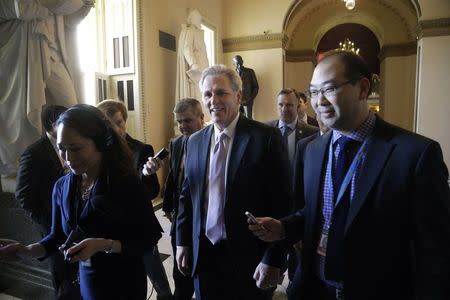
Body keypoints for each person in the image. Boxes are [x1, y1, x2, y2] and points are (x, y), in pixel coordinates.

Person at [249, 50, 450, 300]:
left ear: (363, 89)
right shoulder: (310, 150)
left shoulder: (414, 154)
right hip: (315, 290)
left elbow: (434, 251)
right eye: (313, 92)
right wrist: (284, 228)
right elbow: (312, 214)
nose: (319, 101)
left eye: (329, 89)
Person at [0, 104, 162, 299]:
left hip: (122, 284)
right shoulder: (61, 187)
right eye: (61, 149)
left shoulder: (126, 184)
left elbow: (148, 238)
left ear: (100, 144)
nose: (68, 158)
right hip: (83, 283)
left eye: (75, 148)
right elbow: (57, 237)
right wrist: (26, 250)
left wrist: (105, 244)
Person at [176, 64, 291, 300]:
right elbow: (187, 197)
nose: (213, 100)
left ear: (238, 96)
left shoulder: (265, 138)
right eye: (207, 94)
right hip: (204, 253)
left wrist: (273, 258)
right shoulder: (194, 141)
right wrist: (182, 242)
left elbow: (284, 203)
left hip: (249, 256)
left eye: (221, 92)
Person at [0, 0, 94, 175]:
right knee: (28, 111)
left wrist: (86, 5)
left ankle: (70, 156)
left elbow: (67, 21)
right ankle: (27, 162)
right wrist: (33, 7)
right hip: (28, 50)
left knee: (71, 107)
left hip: (54, 52)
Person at [96, 99, 172, 300]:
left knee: (157, 277)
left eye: (119, 122)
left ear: (125, 122)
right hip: (110, 227)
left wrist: (146, 174)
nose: (116, 128)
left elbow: (153, 191)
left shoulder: (141, 150)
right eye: (110, 124)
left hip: (139, 226)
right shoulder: (97, 152)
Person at [15, 104, 81, 299]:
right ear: (54, 124)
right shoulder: (34, 153)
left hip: (76, 225)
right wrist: (50, 220)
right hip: (53, 227)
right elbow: (23, 195)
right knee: (63, 278)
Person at [163, 98, 204, 300]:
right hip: (179, 219)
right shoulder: (176, 143)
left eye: (187, 121)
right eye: (179, 122)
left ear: (201, 118)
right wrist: (168, 207)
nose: (182, 126)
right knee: (180, 275)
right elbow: (174, 176)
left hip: (203, 220)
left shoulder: (212, 143)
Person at [268, 88, 318, 165]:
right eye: (280, 105)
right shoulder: (266, 130)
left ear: (297, 107)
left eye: (289, 105)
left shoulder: (312, 132)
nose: (284, 109)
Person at [175, 8, 209, 105]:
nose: (200, 21)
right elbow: (186, 48)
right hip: (196, 70)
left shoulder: (198, 33)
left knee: (202, 93)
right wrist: (193, 63)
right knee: (196, 94)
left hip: (202, 68)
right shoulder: (190, 31)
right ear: (193, 19)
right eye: (198, 18)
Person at [232, 55, 259, 119]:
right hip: (236, 102)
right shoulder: (232, 74)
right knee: (237, 120)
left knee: (248, 119)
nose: (239, 66)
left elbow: (256, 87)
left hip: (247, 101)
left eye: (240, 63)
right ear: (234, 64)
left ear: (242, 62)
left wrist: (250, 99)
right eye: (237, 64)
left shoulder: (250, 72)